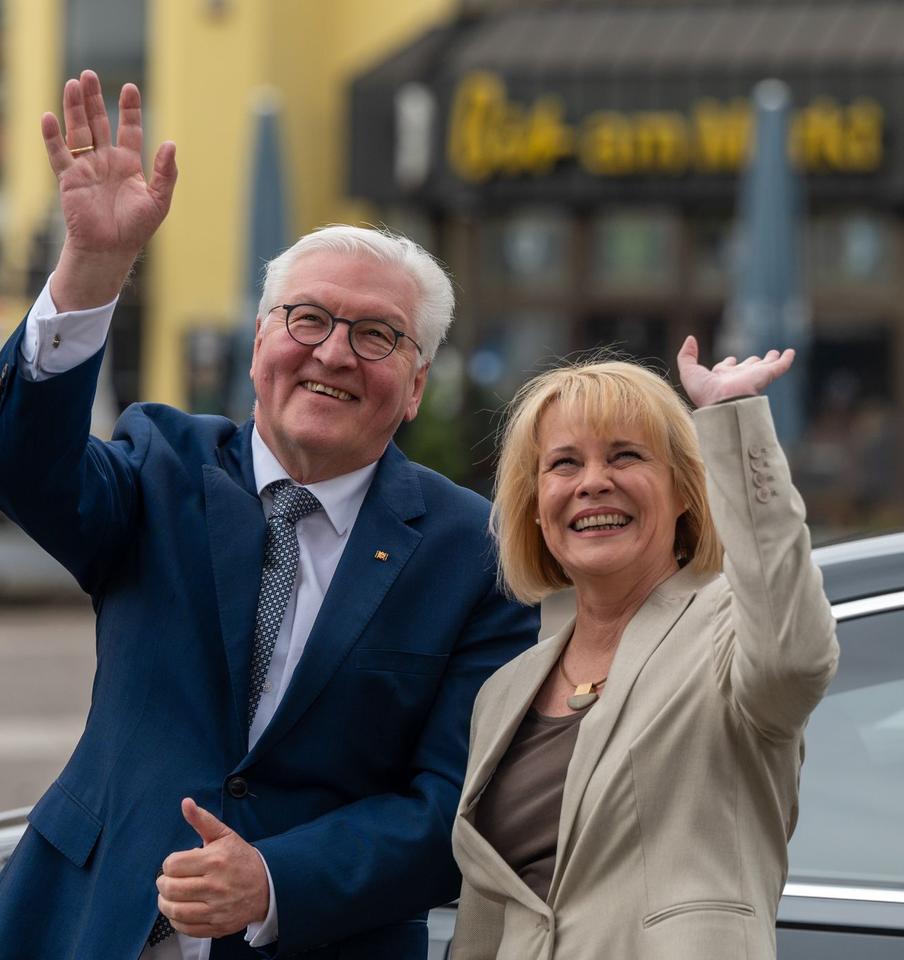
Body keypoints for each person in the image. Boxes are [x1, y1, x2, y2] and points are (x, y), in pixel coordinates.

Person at [0, 70, 538, 960]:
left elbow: (456, 803)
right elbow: (26, 468)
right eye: (308, 318)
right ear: (259, 345)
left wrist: (276, 879)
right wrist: (91, 272)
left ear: (414, 387)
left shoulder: (472, 554)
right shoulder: (161, 466)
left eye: (377, 335)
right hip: (87, 925)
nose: (334, 352)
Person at [450, 344, 839, 959]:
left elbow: (795, 656)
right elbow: (485, 920)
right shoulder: (504, 692)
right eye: (564, 464)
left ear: (686, 490)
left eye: (625, 456)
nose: (593, 483)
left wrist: (734, 425)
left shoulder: (730, 630)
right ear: (537, 506)